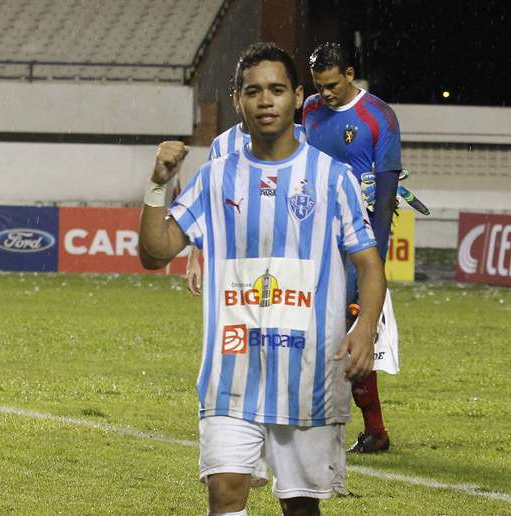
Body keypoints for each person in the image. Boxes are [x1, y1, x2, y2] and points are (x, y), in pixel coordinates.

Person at [139, 42, 386, 516]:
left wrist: (364, 326)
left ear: (297, 97)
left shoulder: (332, 178)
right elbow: (155, 253)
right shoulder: (214, 178)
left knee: (299, 507)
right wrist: (156, 184)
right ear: (238, 100)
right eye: (253, 91)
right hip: (232, 372)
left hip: (308, 376)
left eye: (276, 90)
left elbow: (369, 265)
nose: (265, 100)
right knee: (225, 495)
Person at [302, 42, 401, 454]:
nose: (324, 94)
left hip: (353, 243)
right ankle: (314, 422)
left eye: (330, 85)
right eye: (318, 86)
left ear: (349, 73)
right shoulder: (308, 110)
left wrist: (372, 264)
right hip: (309, 236)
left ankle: (370, 429)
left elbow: (386, 194)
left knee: (349, 332)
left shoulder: (379, 117)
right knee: (302, 330)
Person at [185, 97, 305, 296]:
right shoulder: (222, 145)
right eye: (250, 92)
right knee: (241, 324)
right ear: (236, 99)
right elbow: (208, 203)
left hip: (290, 252)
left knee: (285, 321)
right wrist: (193, 259)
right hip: (238, 255)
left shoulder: (301, 135)